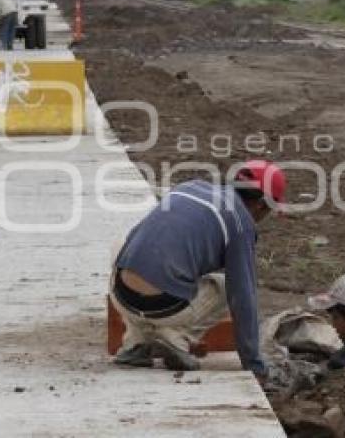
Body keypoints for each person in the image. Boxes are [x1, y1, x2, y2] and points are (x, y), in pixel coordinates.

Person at [110, 160, 287, 379]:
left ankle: (135, 344)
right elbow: (243, 297)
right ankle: (176, 338)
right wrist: (254, 363)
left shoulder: (187, 188)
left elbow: (137, 238)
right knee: (224, 287)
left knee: (126, 247)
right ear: (261, 204)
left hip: (121, 295)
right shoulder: (241, 222)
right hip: (164, 308)